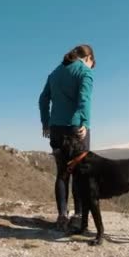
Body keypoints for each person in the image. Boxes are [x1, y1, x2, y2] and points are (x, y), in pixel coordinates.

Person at [39, 44, 95, 231]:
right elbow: (84, 99)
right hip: (75, 129)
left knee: (62, 173)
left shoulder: (54, 74)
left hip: (55, 129)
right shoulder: (84, 72)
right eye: (92, 64)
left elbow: (43, 99)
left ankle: (62, 216)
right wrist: (84, 122)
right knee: (80, 173)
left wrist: (46, 122)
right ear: (88, 59)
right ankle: (78, 217)